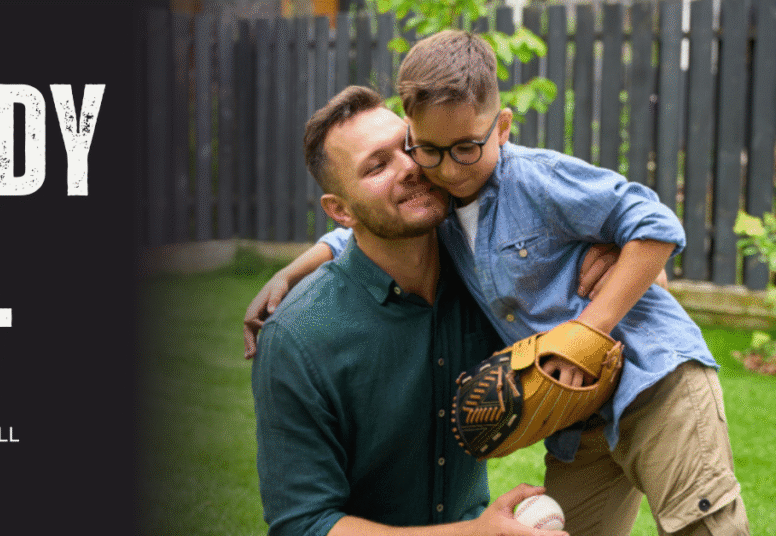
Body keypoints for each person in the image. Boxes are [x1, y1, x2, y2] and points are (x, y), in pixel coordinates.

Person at [253, 30, 748, 536]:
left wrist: (596, 315)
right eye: (421, 151)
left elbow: (654, 225)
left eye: (412, 149)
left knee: (703, 523)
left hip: (653, 378)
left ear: (502, 128)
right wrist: (294, 269)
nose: (431, 169)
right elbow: (362, 238)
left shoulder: (527, 183)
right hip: (581, 421)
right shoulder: (440, 216)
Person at [251, 84, 594, 536]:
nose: (411, 167)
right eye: (377, 165)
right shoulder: (296, 338)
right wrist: (471, 534)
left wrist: (602, 253)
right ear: (341, 211)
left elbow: (655, 277)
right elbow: (304, 524)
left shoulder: (491, 275)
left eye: (410, 147)